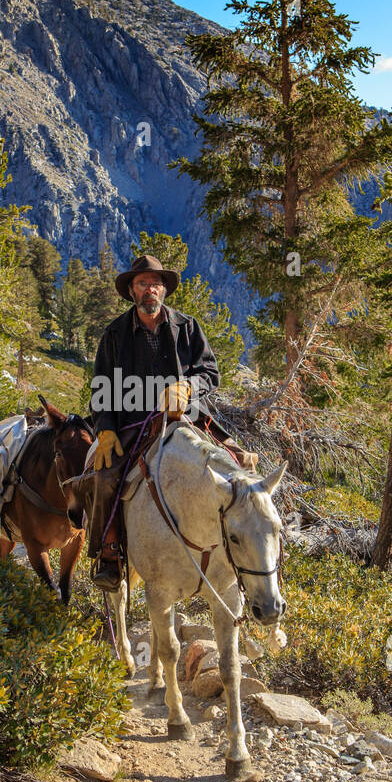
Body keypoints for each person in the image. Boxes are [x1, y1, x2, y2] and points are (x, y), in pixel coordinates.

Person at [84, 253, 221, 591]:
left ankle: (233, 554)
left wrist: (188, 387)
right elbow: (101, 387)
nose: (150, 290)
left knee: (234, 465)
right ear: (132, 290)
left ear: (164, 290)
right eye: (143, 283)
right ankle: (110, 555)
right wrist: (105, 429)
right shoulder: (115, 334)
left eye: (155, 283)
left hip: (182, 420)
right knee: (105, 477)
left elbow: (211, 373)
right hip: (132, 424)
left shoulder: (187, 328)